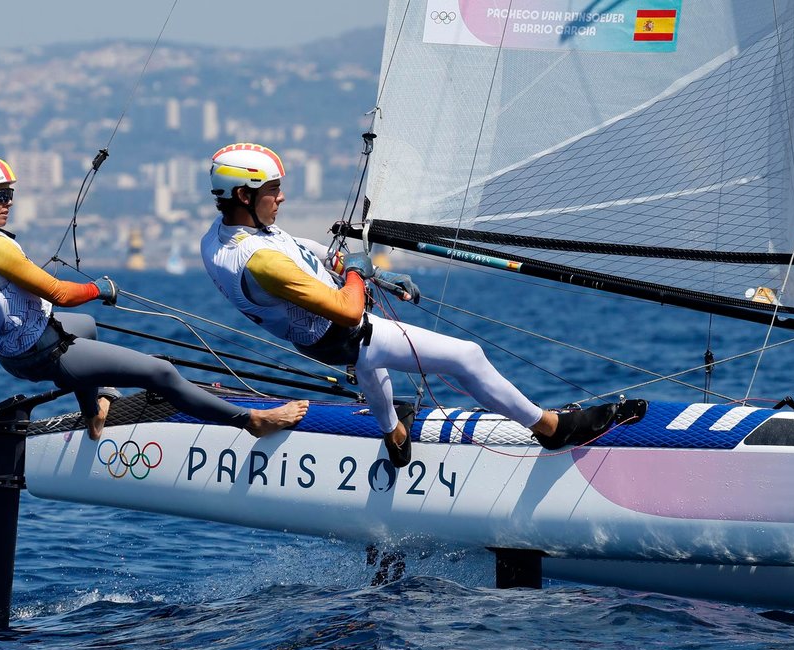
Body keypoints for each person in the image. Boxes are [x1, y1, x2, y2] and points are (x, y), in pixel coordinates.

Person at [200, 143, 637, 467]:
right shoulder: (262, 264)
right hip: (342, 334)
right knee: (467, 356)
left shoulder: (221, 238)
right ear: (244, 196)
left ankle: (394, 434)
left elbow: (303, 251)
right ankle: (551, 428)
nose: (281, 198)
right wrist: (355, 271)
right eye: (274, 190)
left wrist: (372, 273)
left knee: (375, 368)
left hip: (321, 337)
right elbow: (348, 311)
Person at [0, 154, 307, 440]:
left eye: (9, 194)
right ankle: (251, 421)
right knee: (159, 372)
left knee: (86, 326)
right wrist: (100, 288)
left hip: (10, 355)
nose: (8, 202)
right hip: (46, 354)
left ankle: (94, 412)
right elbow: (61, 293)